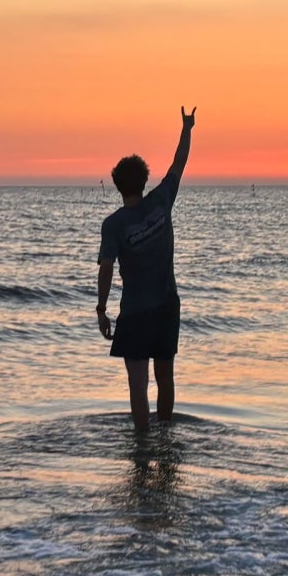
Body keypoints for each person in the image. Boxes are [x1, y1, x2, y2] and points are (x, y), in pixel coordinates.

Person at [96, 106, 196, 431]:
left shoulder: (113, 224)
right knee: (165, 378)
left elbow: (106, 267)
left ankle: (142, 447)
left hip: (136, 313)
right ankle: (165, 438)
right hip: (167, 305)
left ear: (116, 185)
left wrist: (101, 307)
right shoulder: (161, 201)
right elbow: (179, 164)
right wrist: (187, 129)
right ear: (144, 180)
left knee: (137, 384)